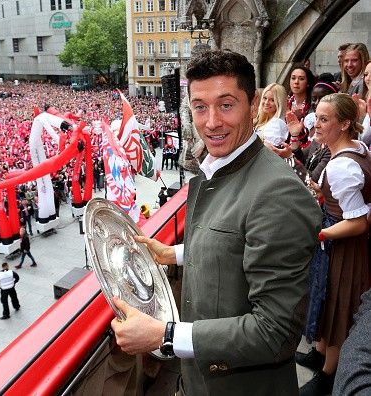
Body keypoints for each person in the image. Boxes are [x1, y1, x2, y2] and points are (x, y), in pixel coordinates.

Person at [110, 50, 321, 396]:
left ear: (253, 104)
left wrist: (165, 335)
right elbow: (235, 239)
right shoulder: (221, 167)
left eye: (226, 105)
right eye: (199, 107)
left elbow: (275, 334)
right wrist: (175, 253)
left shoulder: (279, 194)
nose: (211, 122)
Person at [298, 93, 371, 395]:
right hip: (348, 243)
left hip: (345, 247)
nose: (316, 124)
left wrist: (321, 234)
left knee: (339, 305)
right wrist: (324, 193)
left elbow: (357, 221)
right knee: (330, 301)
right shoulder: (358, 148)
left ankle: (328, 376)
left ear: (344, 124)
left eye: (324, 119)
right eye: (317, 116)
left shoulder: (342, 166)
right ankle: (320, 355)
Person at [254, 83, 289, 148]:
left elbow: (270, 150)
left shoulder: (277, 123)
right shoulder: (263, 121)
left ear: (279, 102)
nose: (266, 103)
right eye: (265, 98)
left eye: (272, 100)